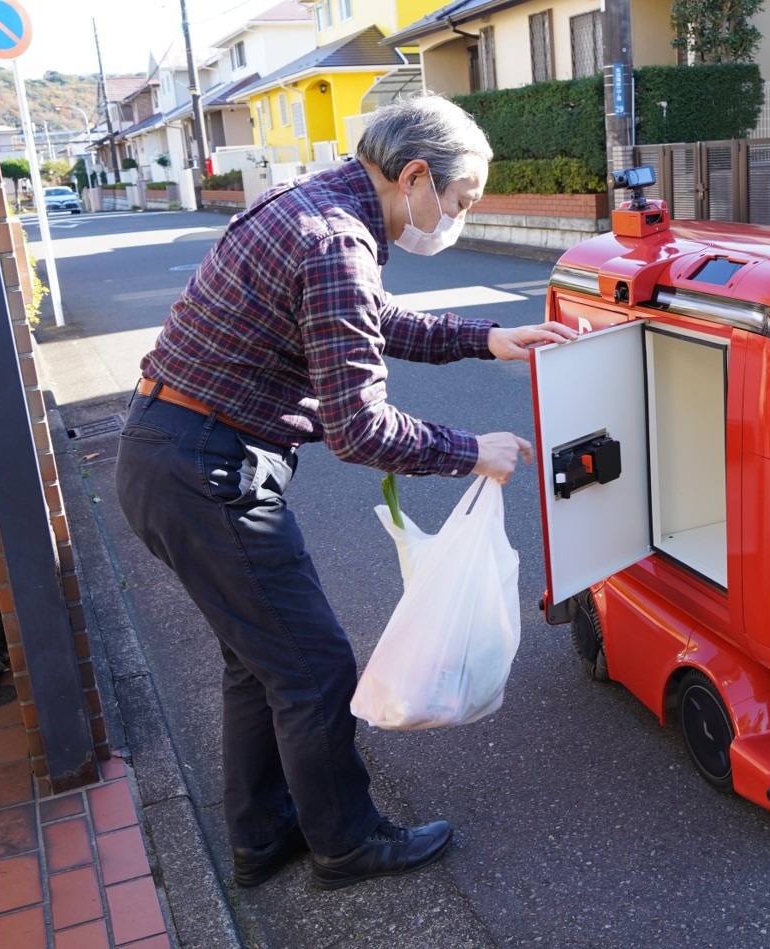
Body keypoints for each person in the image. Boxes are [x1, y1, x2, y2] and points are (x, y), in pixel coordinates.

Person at [114, 93, 575, 891]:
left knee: (258, 663)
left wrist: (487, 337)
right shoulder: (333, 242)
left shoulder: (314, 207)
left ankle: (262, 836)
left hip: (172, 454)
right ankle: (347, 841)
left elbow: (374, 318)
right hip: (209, 470)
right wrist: (474, 451)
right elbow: (360, 431)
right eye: (459, 202)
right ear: (417, 175)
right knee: (314, 669)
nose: (455, 220)